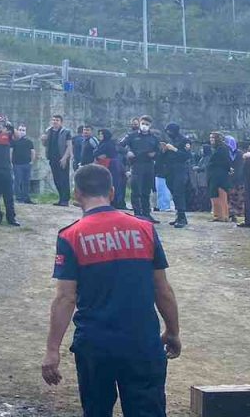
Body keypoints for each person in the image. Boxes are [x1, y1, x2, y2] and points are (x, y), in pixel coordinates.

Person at [42, 164, 181, 417]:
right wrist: (172, 332)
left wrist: (52, 350)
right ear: (113, 191)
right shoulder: (145, 229)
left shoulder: (70, 236)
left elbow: (65, 298)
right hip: (142, 342)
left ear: (76, 194)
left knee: (96, 410)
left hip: (95, 344)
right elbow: (162, 289)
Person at [124, 116, 161, 222]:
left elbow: (159, 152)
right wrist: (128, 152)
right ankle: (137, 214)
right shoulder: (132, 135)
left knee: (146, 191)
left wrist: (155, 154)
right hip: (136, 165)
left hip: (149, 165)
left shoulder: (154, 137)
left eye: (147, 124)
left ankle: (146, 214)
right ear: (140, 123)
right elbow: (119, 146)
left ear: (150, 125)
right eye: (143, 123)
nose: (145, 126)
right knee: (136, 191)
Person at [160, 124, 192, 228]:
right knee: (174, 193)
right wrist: (164, 151)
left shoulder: (184, 141)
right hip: (170, 170)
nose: (168, 133)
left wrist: (174, 149)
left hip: (180, 170)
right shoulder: (169, 140)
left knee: (179, 193)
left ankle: (182, 217)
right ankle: (179, 216)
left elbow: (187, 156)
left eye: (170, 131)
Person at [42, 115, 74, 207]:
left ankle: (65, 200)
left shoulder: (66, 132)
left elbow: (69, 145)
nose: (55, 122)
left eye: (57, 120)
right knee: (56, 179)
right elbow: (45, 144)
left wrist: (65, 158)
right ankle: (61, 199)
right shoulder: (49, 131)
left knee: (63, 179)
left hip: (62, 158)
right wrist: (43, 140)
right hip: (52, 158)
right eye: (53, 120)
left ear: (61, 122)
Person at [95, 129, 126, 208]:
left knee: (113, 183)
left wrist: (100, 155)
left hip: (111, 165)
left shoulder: (109, 144)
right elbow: (96, 153)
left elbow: (104, 154)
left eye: (101, 134)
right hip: (104, 165)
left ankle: (114, 202)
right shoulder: (102, 143)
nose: (100, 136)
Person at [206, 132, 232, 222]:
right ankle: (217, 215)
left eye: (213, 138)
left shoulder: (223, 149)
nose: (211, 139)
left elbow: (226, 162)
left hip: (220, 176)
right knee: (214, 195)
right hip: (213, 176)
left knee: (221, 195)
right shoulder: (215, 149)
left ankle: (224, 215)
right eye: (210, 138)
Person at [12, 124, 36, 204]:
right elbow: (10, 152)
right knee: (17, 181)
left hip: (27, 164)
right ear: (17, 131)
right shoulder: (14, 141)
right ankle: (18, 198)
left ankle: (26, 198)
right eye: (20, 130)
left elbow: (32, 152)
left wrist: (32, 161)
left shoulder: (29, 141)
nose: (21, 131)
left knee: (26, 181)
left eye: (23, 130)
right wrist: (11, 162)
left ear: (25, 132)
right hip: (17, 164)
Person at [225, 135, 247, 223]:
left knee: (239, 197)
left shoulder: (239, 154)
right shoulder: (225, 153)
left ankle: (238, 213)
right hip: (229, 178)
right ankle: (231, 213)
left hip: (239, 178)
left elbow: (242, 166)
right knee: (230, 197)